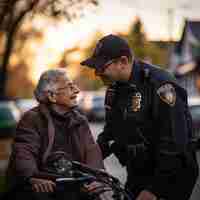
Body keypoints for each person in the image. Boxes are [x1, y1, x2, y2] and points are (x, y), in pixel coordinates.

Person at [80, 34, 199, 200]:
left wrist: (154, 190)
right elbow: (109, 134)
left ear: (122, 61)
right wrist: (86, 166)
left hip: (171, 177)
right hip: (139, 172)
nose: (97, 73)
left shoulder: (160, 85)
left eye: (102, 67)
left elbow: (174, 143)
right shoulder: (115, 91)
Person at [5, 68, 104, 200]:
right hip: (45, 187)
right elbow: (24, 151)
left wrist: (97, 178)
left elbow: (91, 150)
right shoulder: (32, 119)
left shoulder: (80, 120)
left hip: (74, 186)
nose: (77, 91)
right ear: (52, 96)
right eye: (70, 87)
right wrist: (32, 177)